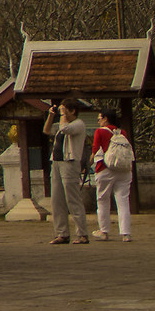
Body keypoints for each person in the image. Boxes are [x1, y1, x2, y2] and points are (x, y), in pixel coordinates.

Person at [45, 98, 92, 244]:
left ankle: (82, 234)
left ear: (72, 111)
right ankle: (62, 233)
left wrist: (63, 115)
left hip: (70, 163)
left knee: (73, 199)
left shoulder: (78, 124)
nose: (62, 112)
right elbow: (47, 130)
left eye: (64, 109)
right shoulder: (61, 124)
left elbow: (66, 130)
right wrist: (51, 115)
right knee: (57, 200)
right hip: (57, 162)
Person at [93, 107, 135, 242]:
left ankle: (104, 231)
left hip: (105, 169)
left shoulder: (99, 132)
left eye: (99, 118)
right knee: (123, 201)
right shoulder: (122, 132)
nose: (98, 121)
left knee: (103, 200)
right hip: (123, 170)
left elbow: (95, 149)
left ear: (105, 118)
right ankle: (125, 233)